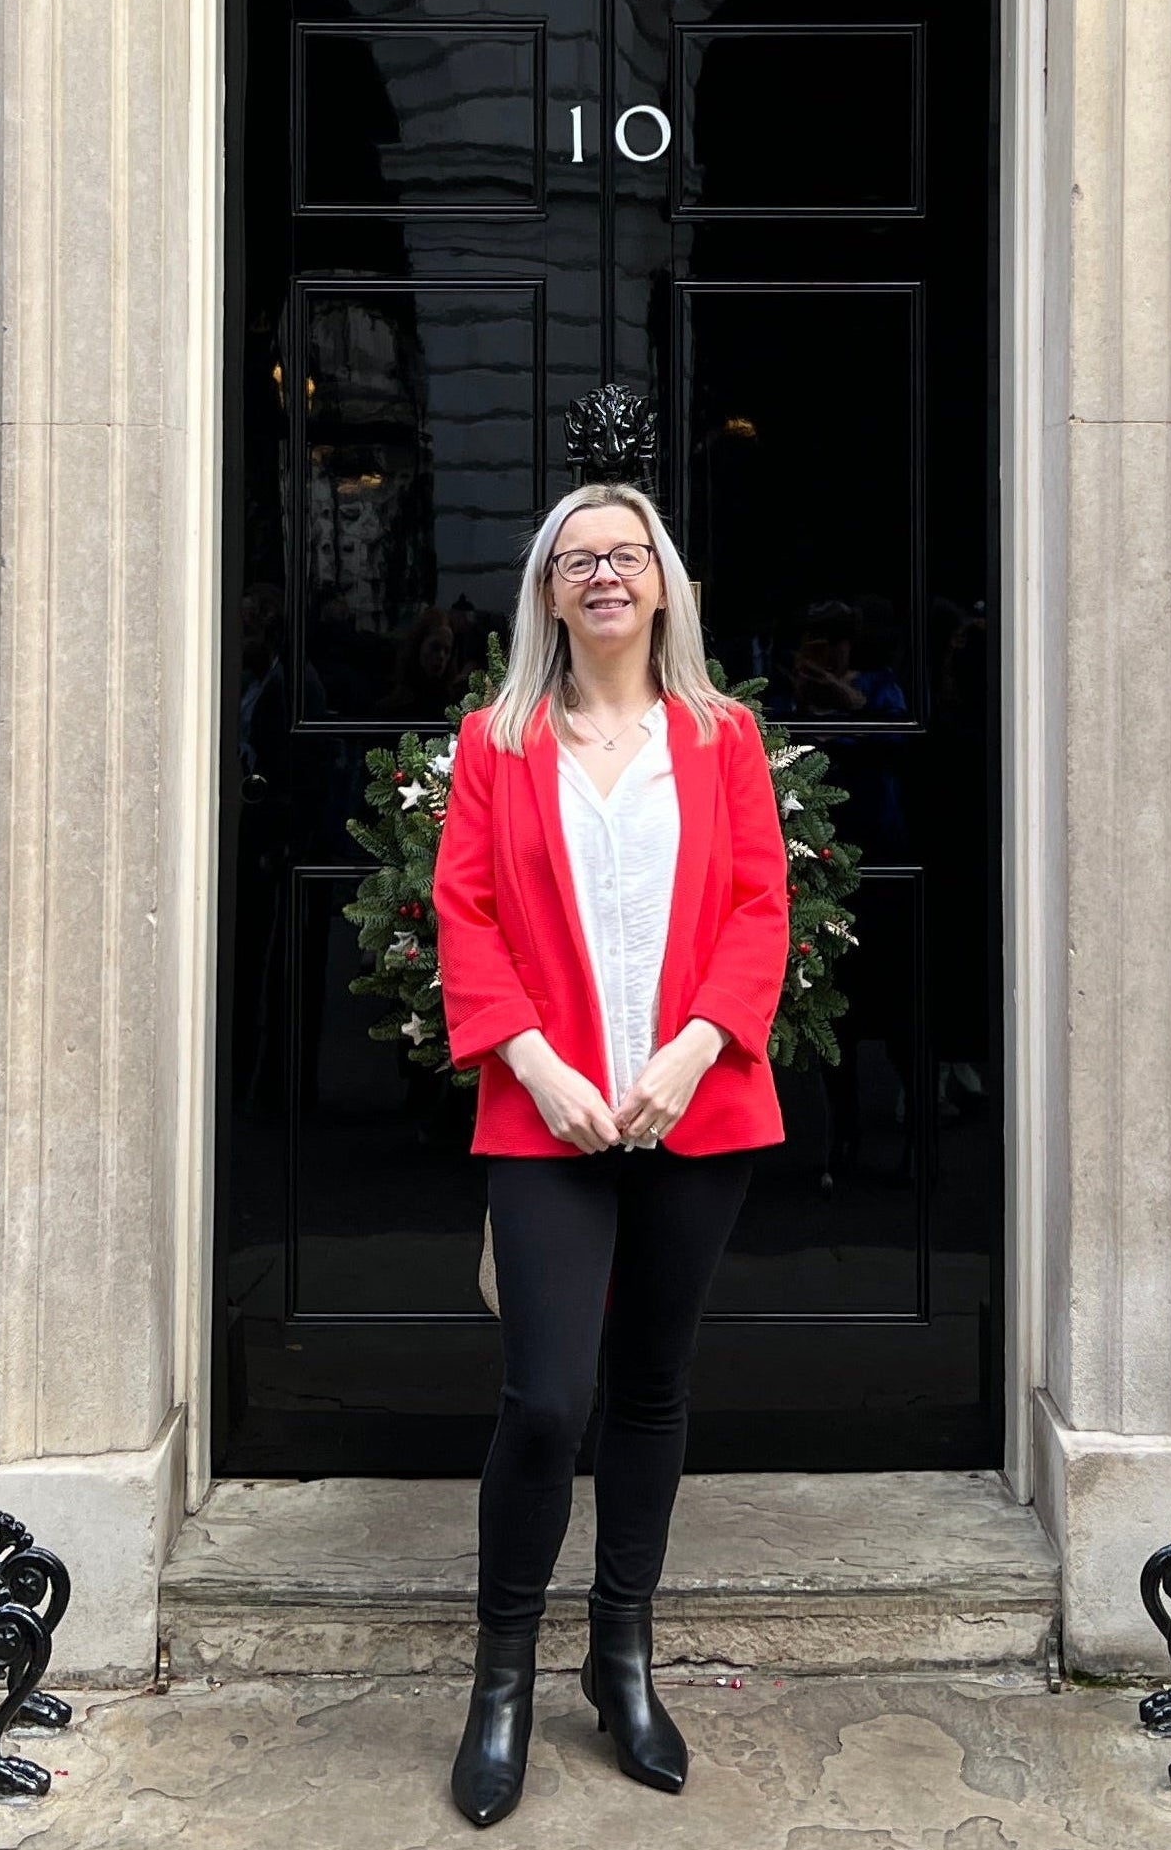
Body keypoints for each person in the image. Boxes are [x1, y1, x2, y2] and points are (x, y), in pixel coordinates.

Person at [431, 480, 790, 1826]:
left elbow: (760, 903)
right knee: (544, 1396)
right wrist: (534, 1063)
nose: (600, 575)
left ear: (660, 583)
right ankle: (502, 1678)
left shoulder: (721, 735)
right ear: (545, 591)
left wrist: (695, 1048)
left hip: (696, 1109)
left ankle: (620, 1652)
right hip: (547, 1117)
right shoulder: (496, 740)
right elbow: (464, 912)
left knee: (649, 1385)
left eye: (623, 554)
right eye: (574, 558)